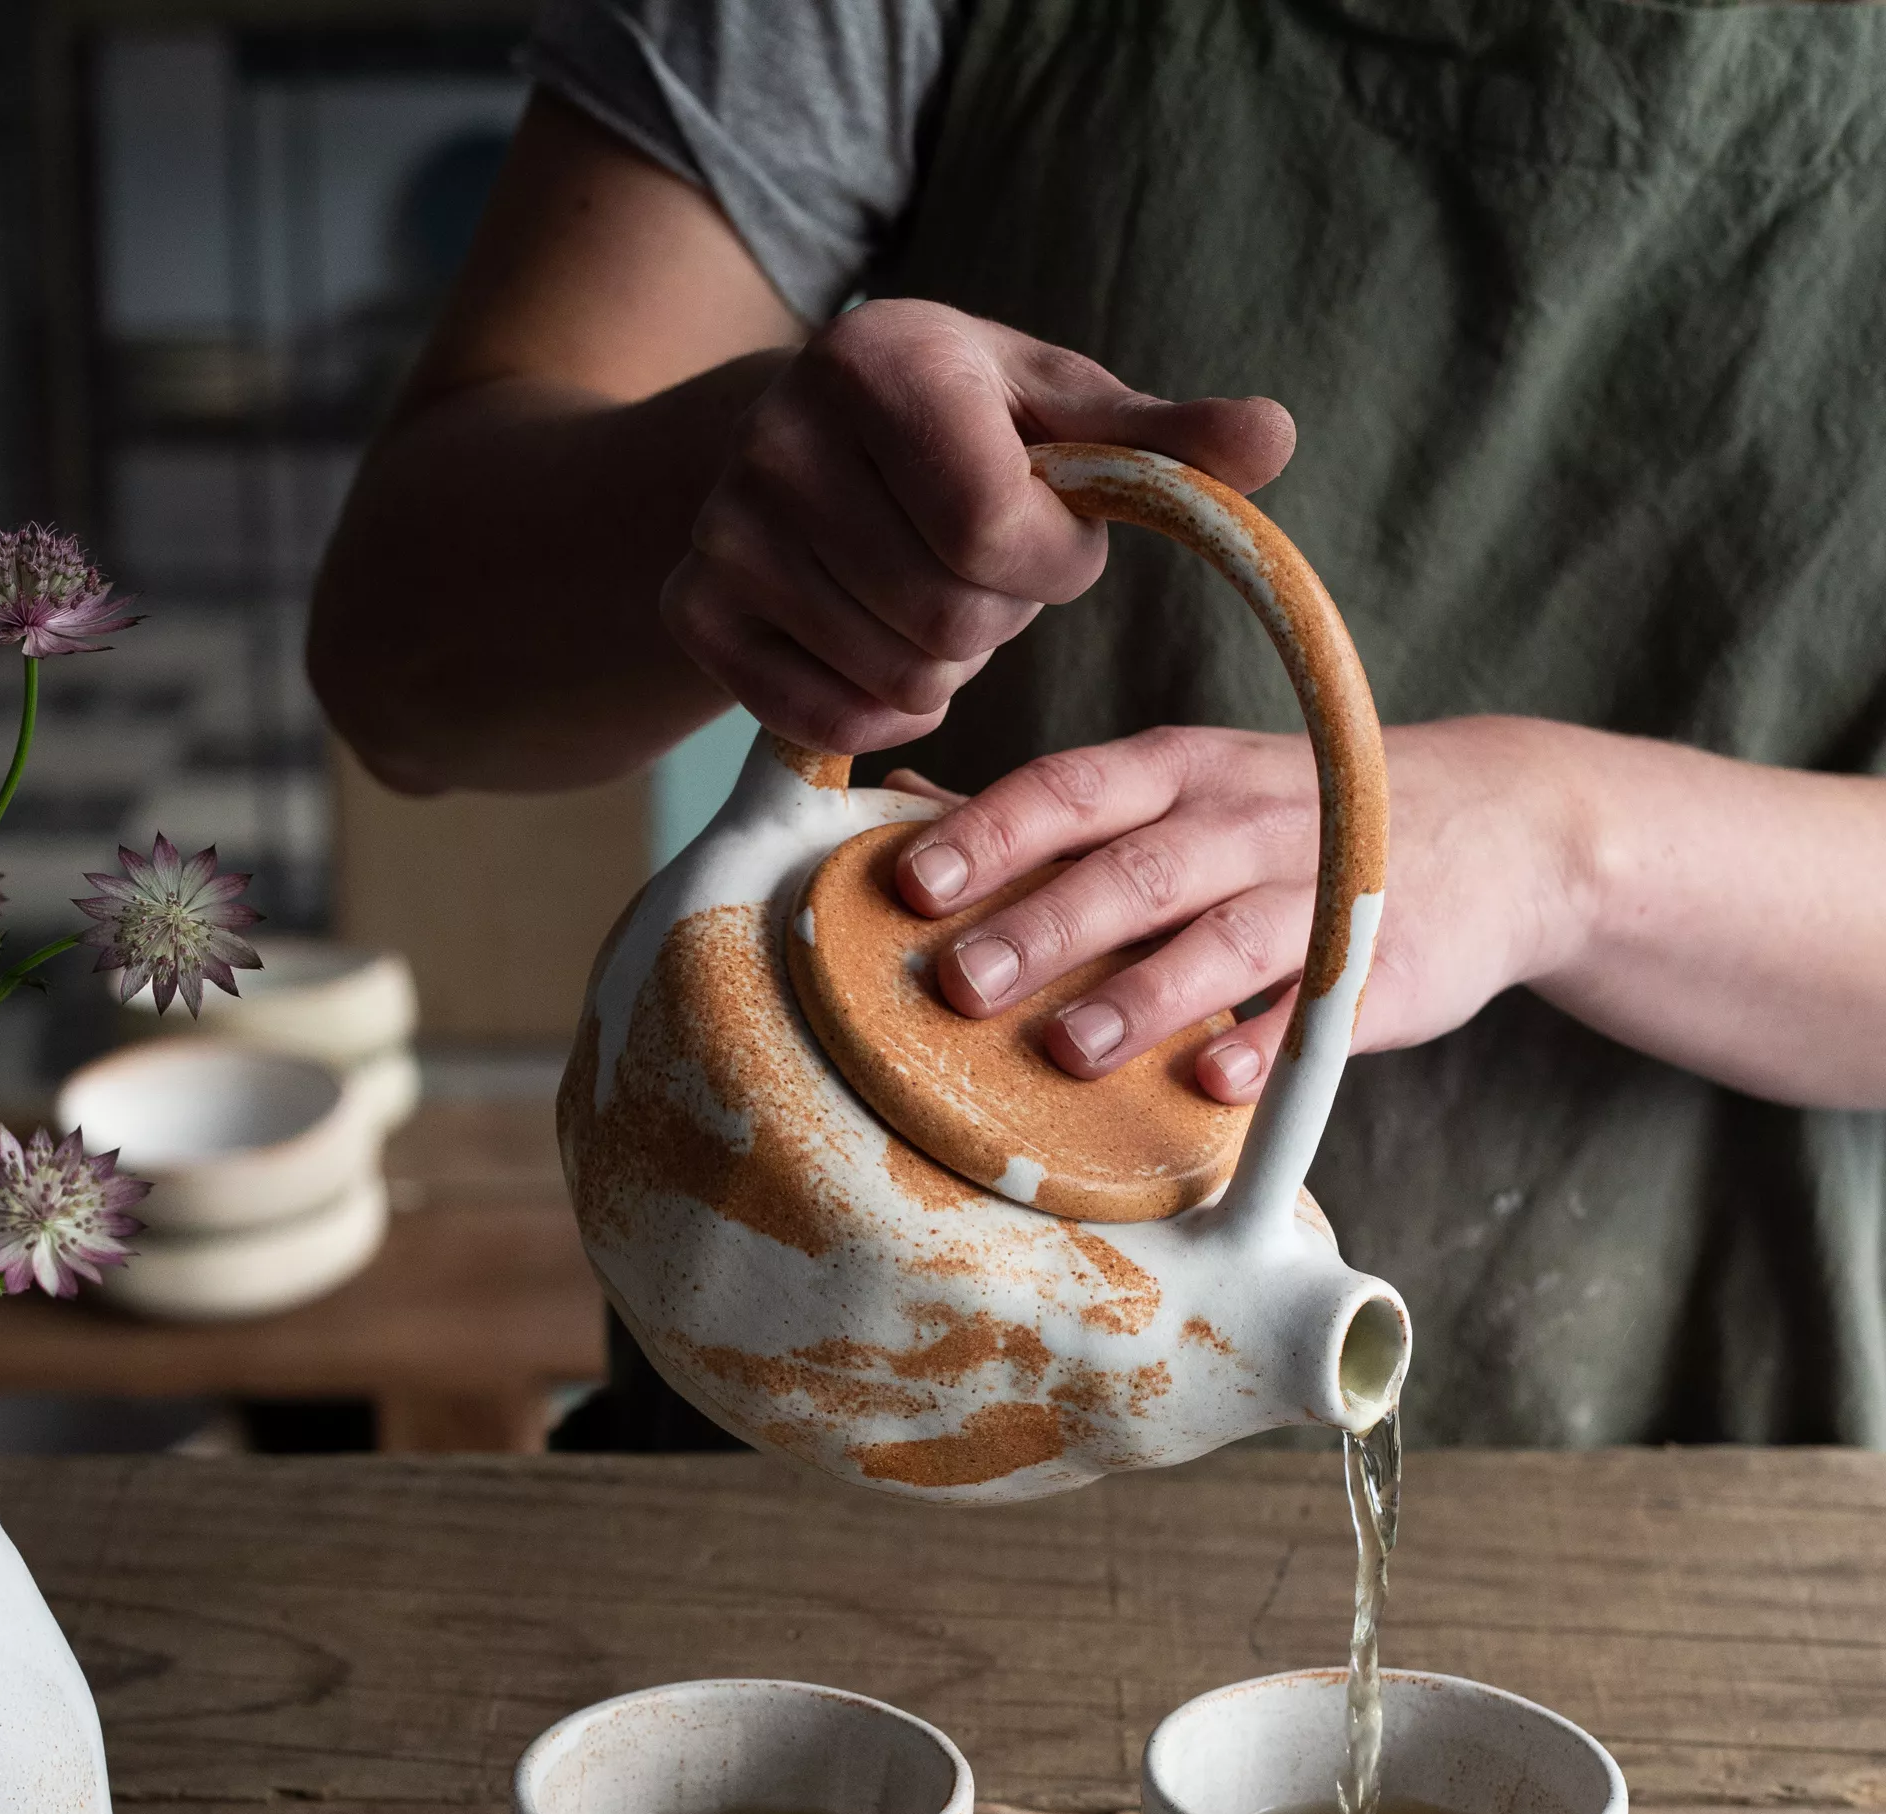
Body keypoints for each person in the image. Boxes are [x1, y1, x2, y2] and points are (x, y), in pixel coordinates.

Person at [310, 0, 1886, 1448]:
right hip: (806, 1475)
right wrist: (748, 487)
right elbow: (402, 665)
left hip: (1703, 1482)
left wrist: (1561, 844)